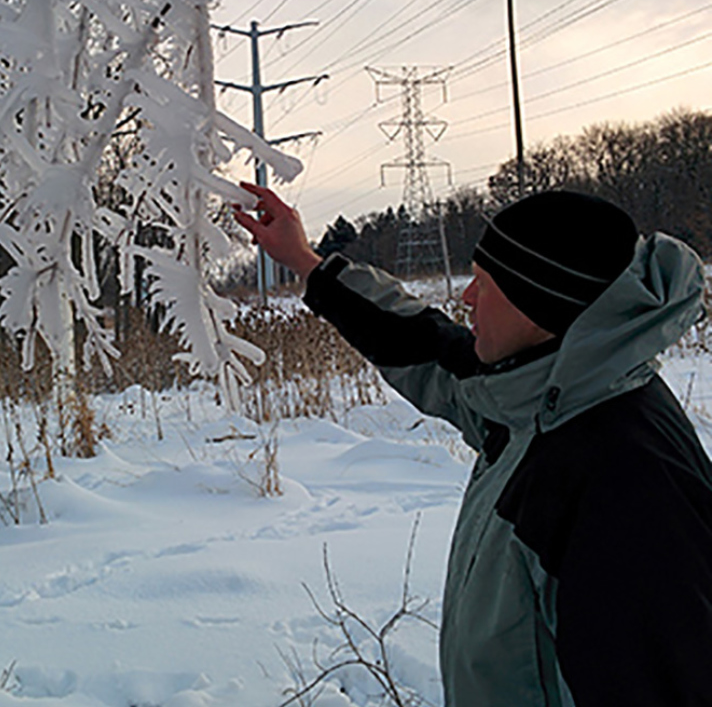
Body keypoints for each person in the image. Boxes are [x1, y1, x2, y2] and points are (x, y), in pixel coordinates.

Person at [233, 181, 712, 707]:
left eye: (484, 283)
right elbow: (426, 346)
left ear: (538, 306)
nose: (465, 297)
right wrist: (306, 261)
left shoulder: (622, 485)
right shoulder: (539, 394)